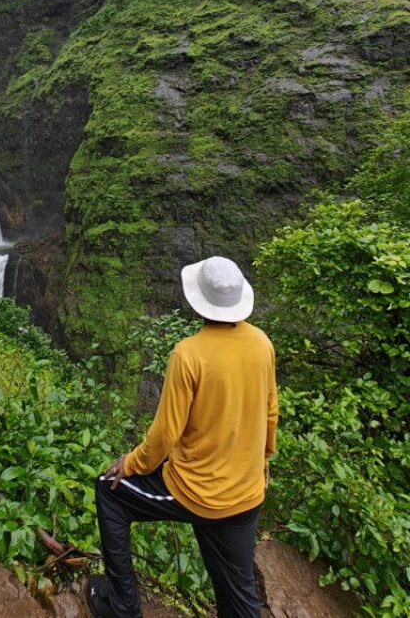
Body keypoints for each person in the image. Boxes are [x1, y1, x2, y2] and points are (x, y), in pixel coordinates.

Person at [87, 256, 278, 618]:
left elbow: (164, 435)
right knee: (239, 596)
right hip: (246, 494)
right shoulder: (262, 344)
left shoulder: (188, 353)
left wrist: (129, 463)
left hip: (195, 492)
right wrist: (263, 461)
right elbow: (270, 412)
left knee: (106, 490)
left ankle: (123, 606)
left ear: (199, 301)